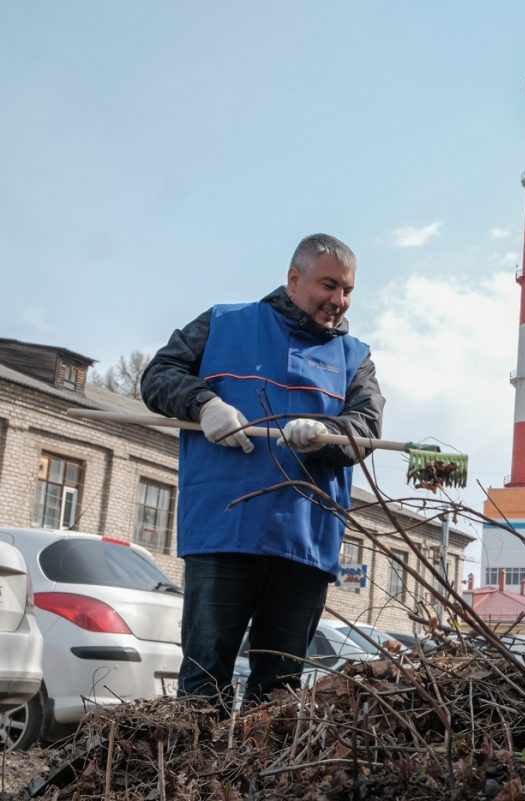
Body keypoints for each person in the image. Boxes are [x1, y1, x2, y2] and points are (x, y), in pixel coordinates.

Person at [140, 233, 385, 711]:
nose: (339, 301)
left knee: (279, 693)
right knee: (204, 679)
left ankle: (260, 784)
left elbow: (367, 427)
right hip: (224, 532)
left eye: (348, 291)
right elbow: (158, 376)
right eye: (329, 285)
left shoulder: (355, 358)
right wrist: (202, 402)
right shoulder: (223, 324)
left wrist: (328, 431)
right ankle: (198, 782)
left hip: (305, 542)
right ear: (294, 279)